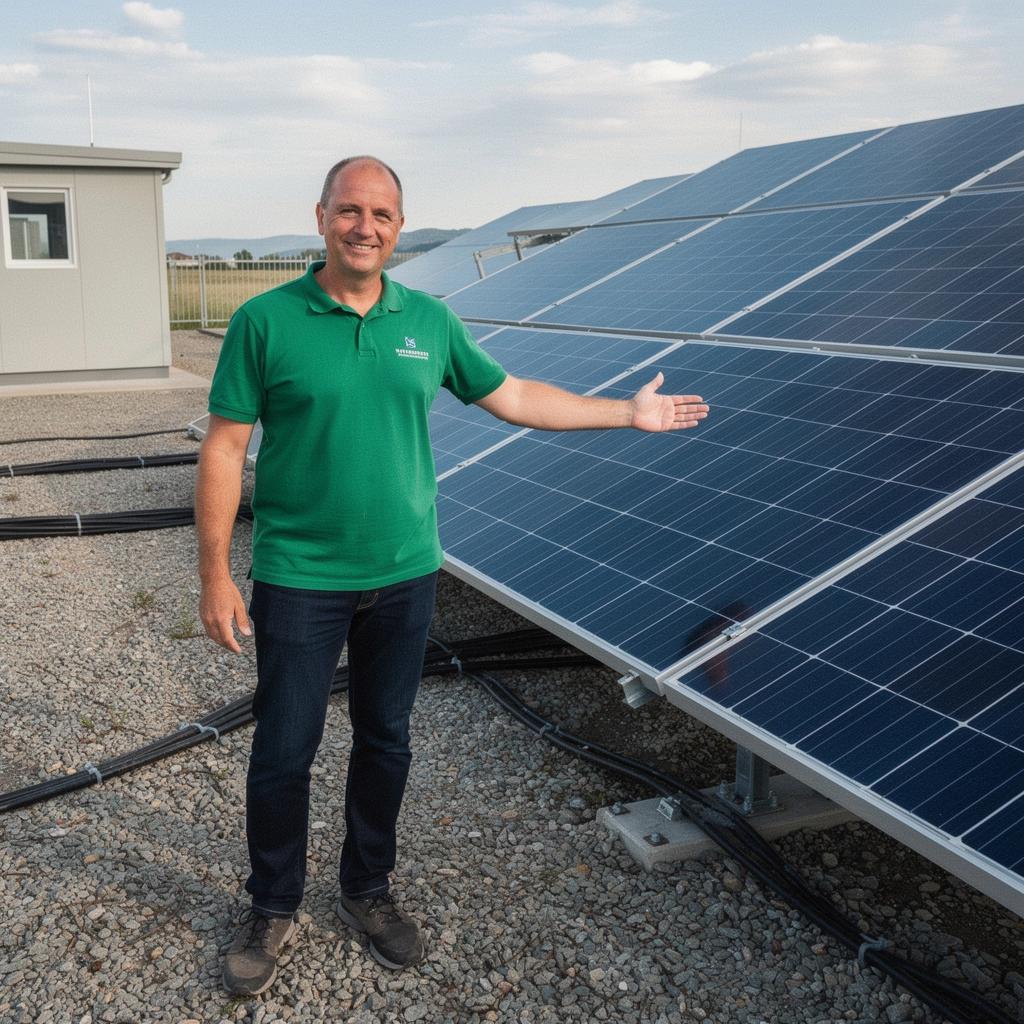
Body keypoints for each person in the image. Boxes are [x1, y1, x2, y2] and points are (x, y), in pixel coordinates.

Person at [196, 155, 709, 997]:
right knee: (285, 750)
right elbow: (223, 448)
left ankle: (366, 889)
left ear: (399, 228)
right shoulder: (265, 321)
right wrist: (215, 575)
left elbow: (514, 396)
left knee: (386, 740)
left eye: (384, 216)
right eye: (351, 211)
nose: (366, 228)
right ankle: (272, 904)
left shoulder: (428, 320)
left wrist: (625, 410)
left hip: (404, 575)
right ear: (321, 216)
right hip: (299, 577)